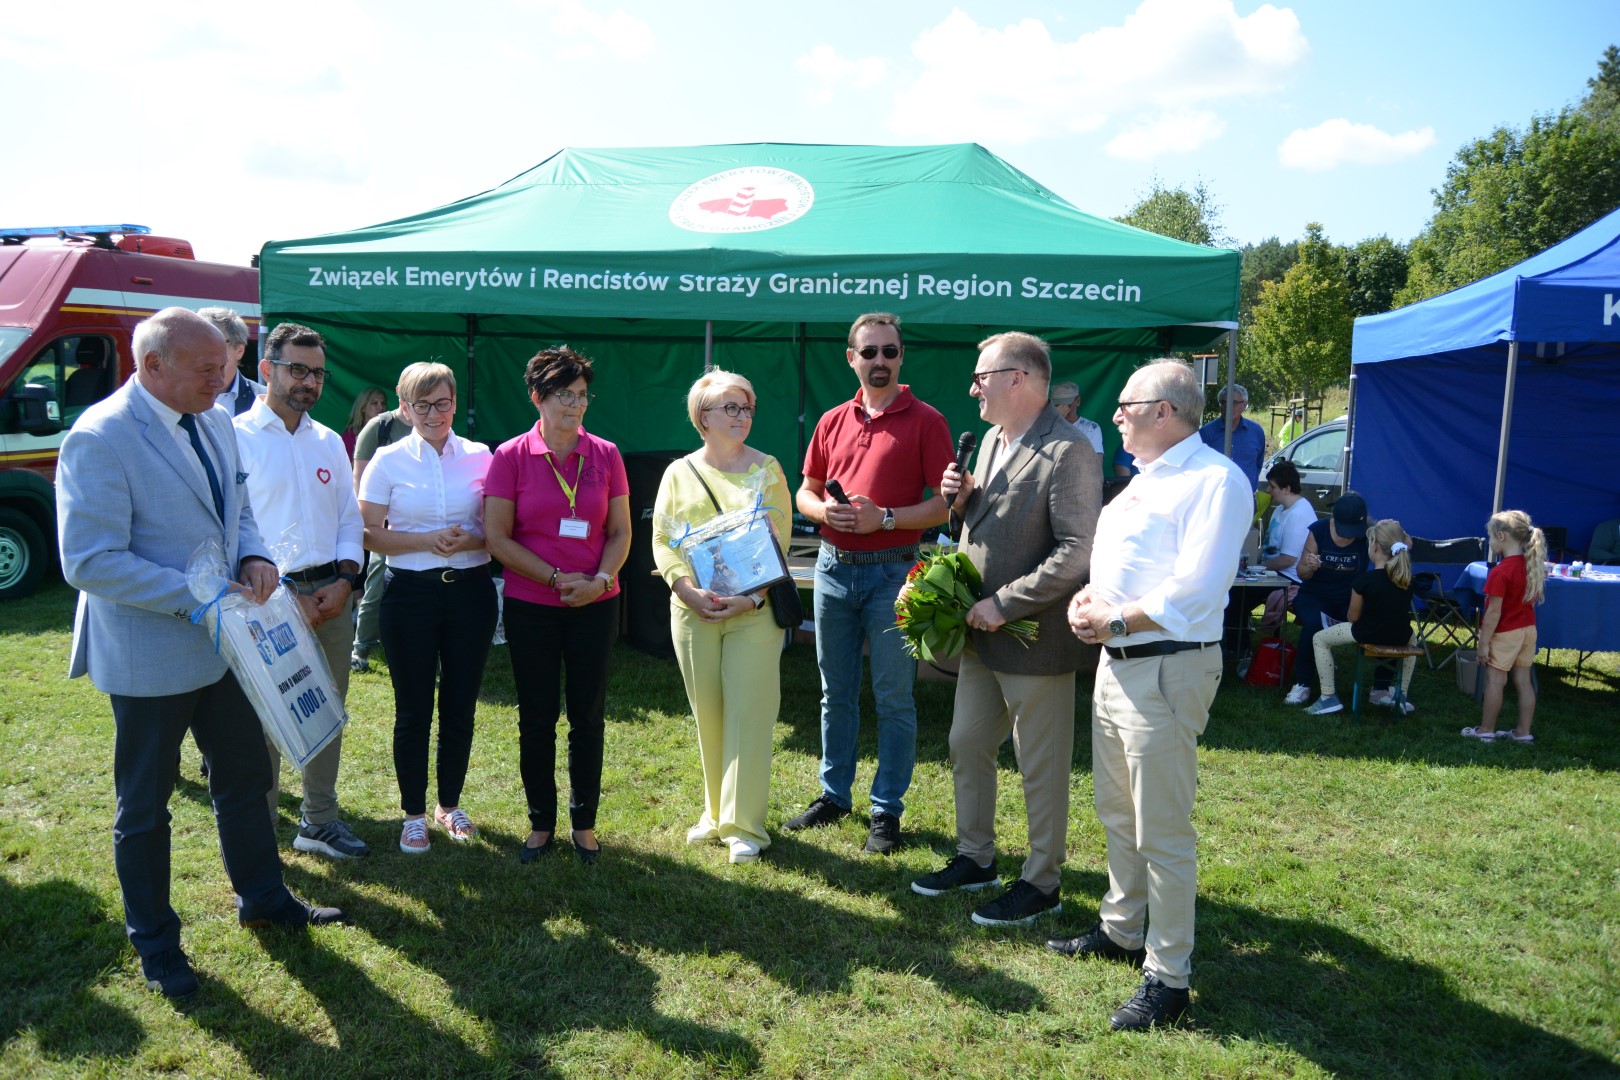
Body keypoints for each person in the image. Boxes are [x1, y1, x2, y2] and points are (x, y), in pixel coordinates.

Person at [56, 307, 346, 999]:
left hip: (226, 649)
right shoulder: (99, 436)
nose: (227, 381)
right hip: (151, 653)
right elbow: (90, 561)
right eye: (210, 370)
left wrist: (253, 553)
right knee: (145, 810)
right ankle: (156, 945)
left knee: (245, 782)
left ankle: (264, 897)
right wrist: (201, 595)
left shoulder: (215, 418)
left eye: (228, 366)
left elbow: (238, 507)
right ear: (151, 366)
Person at [1055, 359, 1250, 1031]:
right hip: (1120, 664)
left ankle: (1169, 978)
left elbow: (1197, 586)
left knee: (1161, 829)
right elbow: (1122, 570)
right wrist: (1092, 600)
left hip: (1167, 667)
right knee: (1117, 812)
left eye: (1127, 405)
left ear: (1165, 411)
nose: (1115, 415)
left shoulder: (1215, 481)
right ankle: (1121, 928)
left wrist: (1113, 620)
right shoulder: (1145, 482)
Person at [910, 332, 1099, 926]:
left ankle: (1042, 882)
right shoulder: (991, 439)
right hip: (980, 632)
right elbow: (989, 523)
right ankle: (977, 857)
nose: (973, 387)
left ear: (1018, 378)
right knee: (966, 743)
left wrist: (1005, 604)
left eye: (981, 375)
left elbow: (1077, 550)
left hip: (1033, 638)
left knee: (1039, 764)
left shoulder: (1069, 451)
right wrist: (963, 501)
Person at [787, 312, 954, 855]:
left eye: (889, 351)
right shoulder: (833, 420)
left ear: (902, 356)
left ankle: (887, 809)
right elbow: (805, 491)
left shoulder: (926, 420)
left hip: (893, 572)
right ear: (851, 358)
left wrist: (882, 517)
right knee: (835, 693)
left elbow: (942, 504)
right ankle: (834, 795)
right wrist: (823, 514)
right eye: (869, 352)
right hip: (833, 569)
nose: (879, 361)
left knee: (894, 697)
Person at [484, 346, 630, 866]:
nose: (574, 406)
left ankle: (584, 823)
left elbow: (620, 532)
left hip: (595, 601)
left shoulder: (606, 454)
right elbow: (497, 538)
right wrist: (551, 577)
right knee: (537, 716)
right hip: (533, 604)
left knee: (588, 716)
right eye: (563, 395)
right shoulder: (510, 457)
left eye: (582, 395)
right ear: (537, 398)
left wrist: (600, 579)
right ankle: (541, 822)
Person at [233, 322, 369, 858]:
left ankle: (318, 821)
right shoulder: (234, 438)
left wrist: (345, 580)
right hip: (265, 600)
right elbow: (232, 525)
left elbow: (347, 519)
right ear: (266, 370)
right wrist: (277, 589)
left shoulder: (329, 440)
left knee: (325, 711)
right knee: (264, 718)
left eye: (317, 373)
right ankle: (261, 827)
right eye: (297, 369)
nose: (309, 382)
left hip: (330, 596)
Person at [651, 370, 793, 865]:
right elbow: (662, 539)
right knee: (708, 715)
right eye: (731, 407)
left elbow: (778, 542)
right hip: (691, 611)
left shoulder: (769, 468)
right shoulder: (678, 472)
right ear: (702, 416)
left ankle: (745, 826)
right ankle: (715, 815)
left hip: (754, 612)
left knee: (750, 716)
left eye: (747, 407)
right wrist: (685, 590)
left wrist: (750, 600)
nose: (742, 416)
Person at [358, 362, 495, 855]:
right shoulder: (387, 460)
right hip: (409, 594)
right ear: (405, 406)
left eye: (441, 403)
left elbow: (499, 529)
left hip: (470, 593)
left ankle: (449, 804)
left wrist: (471, 539)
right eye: (422, 405)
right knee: (413, 709)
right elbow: (368, 531)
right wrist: (426, 540)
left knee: (460, 704)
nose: (433, 413)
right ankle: (413, 814)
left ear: (455, 403)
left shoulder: (482, 457)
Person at [1302, 519, 1420, 716]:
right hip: (1400, 635)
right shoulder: (1406, 579)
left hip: (1367, 632)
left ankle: (1328, 697)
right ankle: (1401, 694)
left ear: (1374, 548)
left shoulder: (1364, 581)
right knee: (1413, 639)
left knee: (1319, 639)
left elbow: (1353, 617)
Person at [1465, 510, 1546, 743]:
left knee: (1495, 681)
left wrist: (1483, 644)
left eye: (1490, 537)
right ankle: (1523, 732)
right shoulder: (1532, 566)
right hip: (1528, 630)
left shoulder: (1500, 572)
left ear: (1501, 536)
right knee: (1523, 681)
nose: (1490, 542)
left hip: (1506, 632)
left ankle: (1486, 730)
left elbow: (1492, 614)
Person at [1284, 493, 1371, 706]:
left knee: (1377, 620)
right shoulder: (1319, 530)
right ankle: (1303, 683)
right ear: (1334, 520)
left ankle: (1382, 688)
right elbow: (1301, 573)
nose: (1350, 538)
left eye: (1353, 533)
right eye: (1345, 532)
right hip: (1315, 595)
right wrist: (1309, 566)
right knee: (1313, 623)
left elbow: (1402, 543)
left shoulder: (1369, 533)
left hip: (1351, 597)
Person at [348, 396, 412, 672]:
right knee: (375, 586)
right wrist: (374, 522)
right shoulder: (379, 427)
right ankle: (360, 649)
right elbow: (359, 480)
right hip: (383, 525)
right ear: (403, 393)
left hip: (419, 524)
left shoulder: (433, 424)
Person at [197, 306, 265, 416]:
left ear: (239, 350)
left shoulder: (262, 399)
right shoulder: (179, 393)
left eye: (215, 342)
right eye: (199, 342)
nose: (203, 350)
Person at [1198, 382, 1266, 490]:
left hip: (1246, 499)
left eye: (1234, 403)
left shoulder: (1256, 432)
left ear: (1244, 405)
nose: (1228, 407)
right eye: (1224, 402)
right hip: (1216, 497)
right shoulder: (1206, 433)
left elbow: (1257, 464)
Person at [1049, 379, 1105, 458]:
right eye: (1058, 405)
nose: (1064, 408)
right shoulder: (1047, 425)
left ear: (1078, 401)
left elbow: (1097, 462)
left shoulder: (1091, 428)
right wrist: (1056, 420)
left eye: (1068, 404)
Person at [343, 386, 388, 461]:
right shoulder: (349, 436)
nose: (380, 407)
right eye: (375, 403)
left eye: (383, 403)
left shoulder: (390, 432)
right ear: (363, 407)